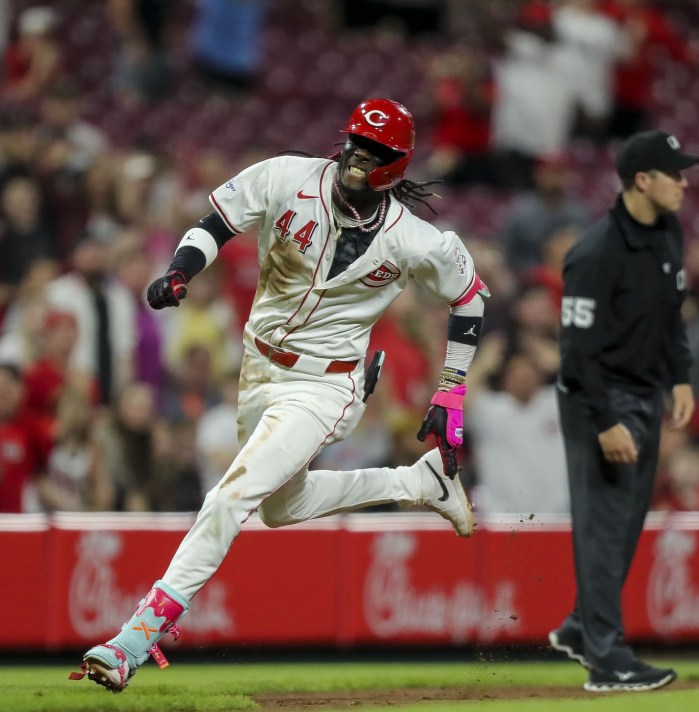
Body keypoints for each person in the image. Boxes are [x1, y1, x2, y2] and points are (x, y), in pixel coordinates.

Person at [73, 98, 486, 692]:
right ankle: (420, 483)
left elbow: (470, 295)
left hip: (328, 382)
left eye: (371, 152)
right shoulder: (288, 176)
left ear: (395, 165)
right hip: (259, 367)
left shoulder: (414, 241)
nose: (354, 156)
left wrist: (450, 388)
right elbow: (215, 223)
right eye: (353, 143)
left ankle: (134, 639)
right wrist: (181, 269)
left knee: (229, 497)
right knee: (278, 507)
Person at [549, 128, 699, 692]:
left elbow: (672, 314)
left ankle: (578, 626)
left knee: (627, 524)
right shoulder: (594, 254)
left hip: (644, 391)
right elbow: (575, 355)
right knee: (606, 526)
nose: (685, 183)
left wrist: (681, 377)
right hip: (600, 396)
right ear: (644, 180)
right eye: (675, 173)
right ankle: (606, 659)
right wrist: (607, 420)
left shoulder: (667, 232)